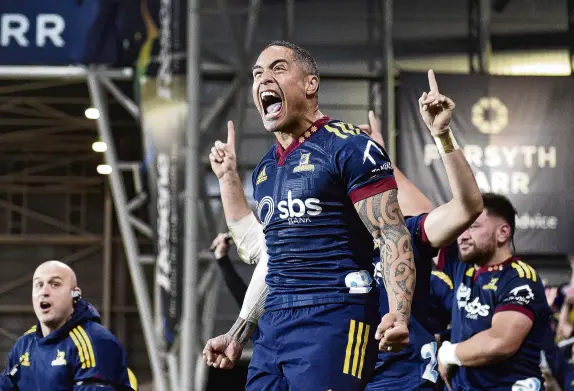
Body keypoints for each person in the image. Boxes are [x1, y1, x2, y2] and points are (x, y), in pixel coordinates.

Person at [204, 40, 415, 390]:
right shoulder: (265, 170)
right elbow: (270, 259)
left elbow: (392, 233)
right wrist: (240, 331)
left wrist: (399, 312)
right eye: (257, 74)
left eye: (278, 69)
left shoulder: (351, 147)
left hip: (334, 317)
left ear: (310, 84)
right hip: (273, 329)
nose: (263, 80)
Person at [361, 72, 482, 391]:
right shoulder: (326, 243)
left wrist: (442, 135)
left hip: (405, 378)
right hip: (342, 375)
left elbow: (467, 207)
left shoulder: (406, 233)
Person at [435, 194, 551, 390]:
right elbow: (420, 213)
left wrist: (448, 353)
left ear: (503, 233)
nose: (462, 235)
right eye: (462, 227)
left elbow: (499, 342)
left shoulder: (520, 278)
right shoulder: (463, 266)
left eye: (473, 226)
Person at [0, 260, 135, 391]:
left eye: (55, 284)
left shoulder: (96, 343)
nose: (44, 291)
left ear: (75, 294)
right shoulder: (24, 345)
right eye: (39, 285)